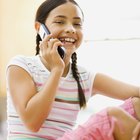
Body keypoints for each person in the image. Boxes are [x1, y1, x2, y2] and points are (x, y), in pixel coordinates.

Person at [6, 0, 140, 140]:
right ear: (40, 28)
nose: (71, 29)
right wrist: (57, 69)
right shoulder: (21, 66)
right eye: (60, 22)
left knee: (137, 104)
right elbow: (32, 123)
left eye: (77, 24)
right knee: (112, 117)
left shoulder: (85, 77)